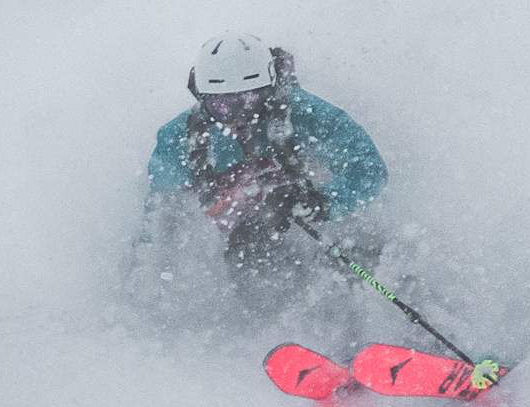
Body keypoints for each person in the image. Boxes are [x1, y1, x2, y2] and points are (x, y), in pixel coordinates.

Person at [142, 33, 388, 324]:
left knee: (361, 256)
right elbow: (159, 219)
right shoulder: (179, 140)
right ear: (200, 96)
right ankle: (283, 333)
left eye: (251, 100)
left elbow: (370, 169)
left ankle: (375, 323)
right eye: (222, 105)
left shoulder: (306, 115)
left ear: (270, 89)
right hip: (252, 249)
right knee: (251, 246)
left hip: (329, 229)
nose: (238, 115)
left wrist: (321, 202)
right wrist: (148, 285)